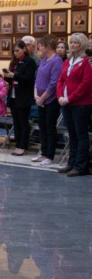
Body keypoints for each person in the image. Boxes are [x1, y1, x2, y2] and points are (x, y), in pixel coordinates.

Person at [56, 33, 92, 176]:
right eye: (71, 42)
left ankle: (80, 166)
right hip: (66, 102)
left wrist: (70, 98)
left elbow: (86, 84)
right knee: (71, 135)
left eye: (75, 42)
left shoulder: (86, 62)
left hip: (81, 103)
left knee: (81, 134)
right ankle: (71, 163)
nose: (72, 45)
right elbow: (61, 80)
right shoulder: (68, 61)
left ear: (82, 44)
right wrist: (59, 96)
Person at [33, 34, 64, 166]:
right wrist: (36, 95)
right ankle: (43, 151)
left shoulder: (57, 61)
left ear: (49, 47)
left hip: (50, 100)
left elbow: (53, 83)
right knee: (42, 127)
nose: (40, 48)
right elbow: (37, 79)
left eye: (42, 46)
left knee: (50, 128)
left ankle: (49, 155)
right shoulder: (43, 59)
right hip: (39, 99)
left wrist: (43, 98)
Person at [2, 40, 37, 156]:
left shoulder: (29, 62)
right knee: (16, 122)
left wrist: (14, 75)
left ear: (24, 49)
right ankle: (17, 144)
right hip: (13, 94)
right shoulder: (14, 62)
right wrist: (7, 76)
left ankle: (23, 146)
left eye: (17, 51)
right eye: (14, 51)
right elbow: (13, 79)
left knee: (23, 122)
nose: (15, 53)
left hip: (24, 96)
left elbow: (28, 78)